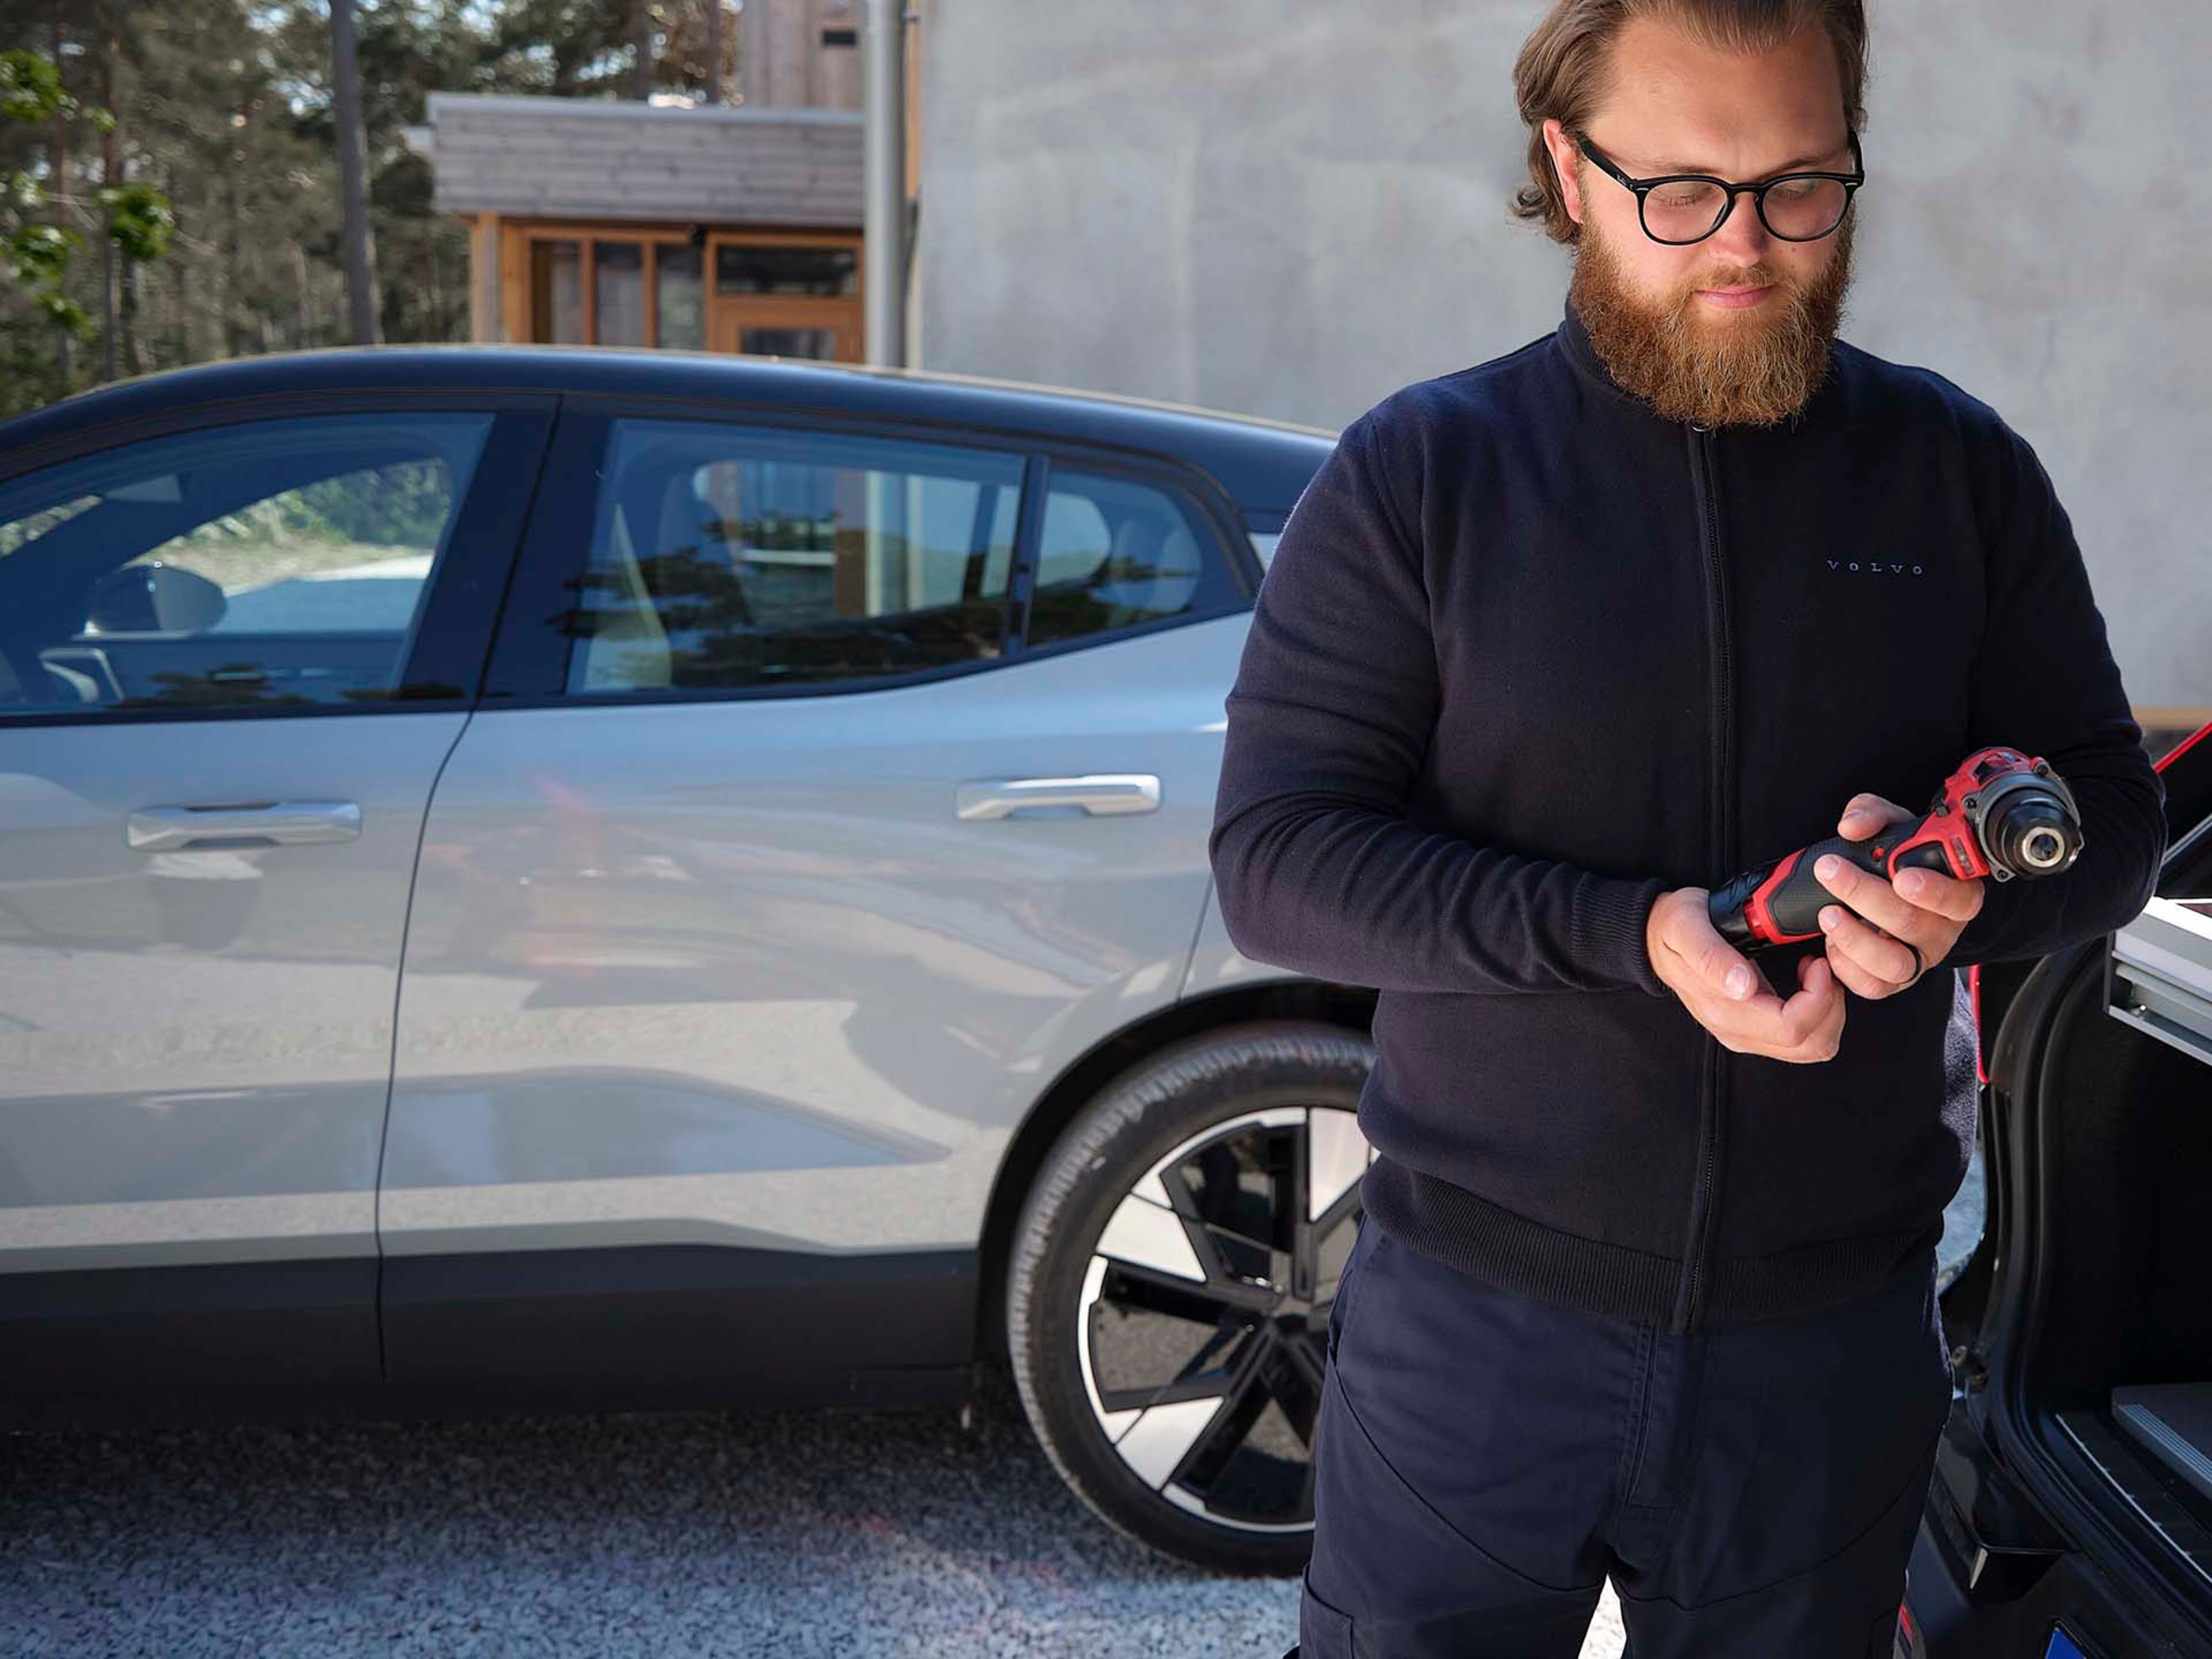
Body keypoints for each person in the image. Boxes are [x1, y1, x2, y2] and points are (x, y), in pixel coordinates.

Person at [1206, 3, 2171, 1655]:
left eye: (1802, 187)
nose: (1745, 245)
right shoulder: (1422, 476)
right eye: (1683, 191)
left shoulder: (1958, 472)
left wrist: (1964, 909)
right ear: (1565, 171)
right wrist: (1635, 938)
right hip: (1476, 1336)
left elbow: (2114, 820)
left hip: (1830, 1348)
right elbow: (1277, 864)